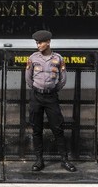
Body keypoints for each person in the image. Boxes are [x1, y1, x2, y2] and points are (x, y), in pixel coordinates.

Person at [26, 30, 76, 172]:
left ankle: (64, 160)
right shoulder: (33, 58)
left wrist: (51, 89)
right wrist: (39, 89)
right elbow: (28, 79)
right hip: (36, 96)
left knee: (58, 128)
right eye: (37, 43)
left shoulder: (58, 58)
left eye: (40, 42)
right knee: (37, 128)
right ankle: (39, 160)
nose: (38, 45)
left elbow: (63, 79)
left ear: (48, 42)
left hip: (51, 97)